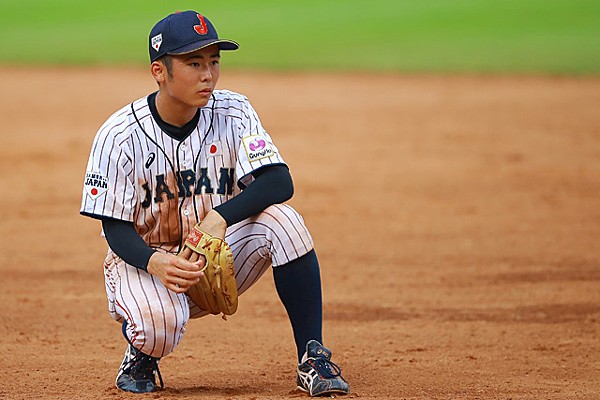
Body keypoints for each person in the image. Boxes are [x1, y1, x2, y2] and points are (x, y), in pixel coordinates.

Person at [80, 10, 350, 397]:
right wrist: (155, 262)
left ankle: (313, 357)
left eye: (214, 61)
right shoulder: (119, 135)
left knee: (285, 222)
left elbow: (279, 181)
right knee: (160, 329)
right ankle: (141, 354)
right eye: (193, 63)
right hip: (146, 262)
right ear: (160, 70)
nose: (208, 74)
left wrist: (220, 218)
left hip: (215, 255)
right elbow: (113, 226)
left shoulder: (234, 111)